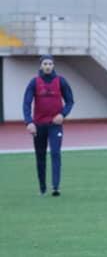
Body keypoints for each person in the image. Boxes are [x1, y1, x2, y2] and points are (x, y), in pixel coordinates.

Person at [22, 54, 74, 196]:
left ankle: (55, 187)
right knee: (40, 156)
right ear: (41, 65)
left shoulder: (61, 81)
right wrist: (29, 122)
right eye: (45, 64)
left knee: (55, 153)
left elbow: (70, 101)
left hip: (55, 125)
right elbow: (26, 103)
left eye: (50, 64)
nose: (47, 66)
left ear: (53, 65)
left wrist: (62, 114)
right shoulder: (34, 82)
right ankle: (42, 188)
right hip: (39, 125)